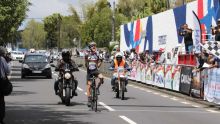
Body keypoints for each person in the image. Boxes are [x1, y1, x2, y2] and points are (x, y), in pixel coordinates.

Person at [85, 42, 104, 107]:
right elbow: (86, 64)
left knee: (101, 77)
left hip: (95, 70)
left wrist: (100, 62)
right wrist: (88, 64)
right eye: (92, 46)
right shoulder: (87, 54)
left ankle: (97, 88)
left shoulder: (97, 54)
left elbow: (99, 64)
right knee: (89, 85)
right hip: (89, 71)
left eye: (95, 46)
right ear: (90, 47)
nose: (94, 47)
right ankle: (89, 100)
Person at [0, 46, 10, 124]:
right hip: (1, 82)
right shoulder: (2, 59)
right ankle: (1, 119)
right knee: (1, 101)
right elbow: (7, 70)